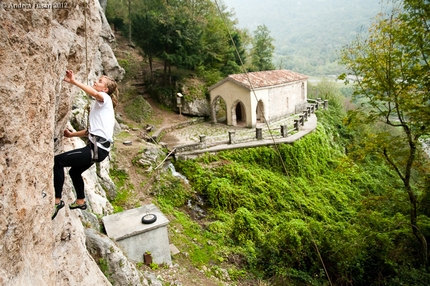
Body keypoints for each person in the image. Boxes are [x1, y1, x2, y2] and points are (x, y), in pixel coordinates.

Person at [52, 70, 118, 220]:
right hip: (100, 149)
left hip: (96, 148)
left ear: (105, 89)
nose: (96, 82)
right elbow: (91, 131)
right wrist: (72, 135)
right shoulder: (101, 105)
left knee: (58, 161)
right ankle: (80, 200)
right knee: (74, 172)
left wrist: (74, 81)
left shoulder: (105, 98)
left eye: (100, 81)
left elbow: (95, 94)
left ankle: (57, 200)